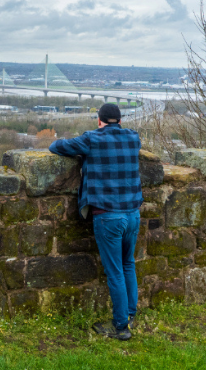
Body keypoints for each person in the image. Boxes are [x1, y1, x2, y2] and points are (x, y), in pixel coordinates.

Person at [49, 102, 141, 341]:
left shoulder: (92, 139)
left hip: (108, 216)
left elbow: (56, 146)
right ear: (120, 121)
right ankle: (130, 314)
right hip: (132, 213)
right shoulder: (133, 138)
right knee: (128, 263)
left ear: (99, 121)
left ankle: (120, 326)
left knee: (115, 272)